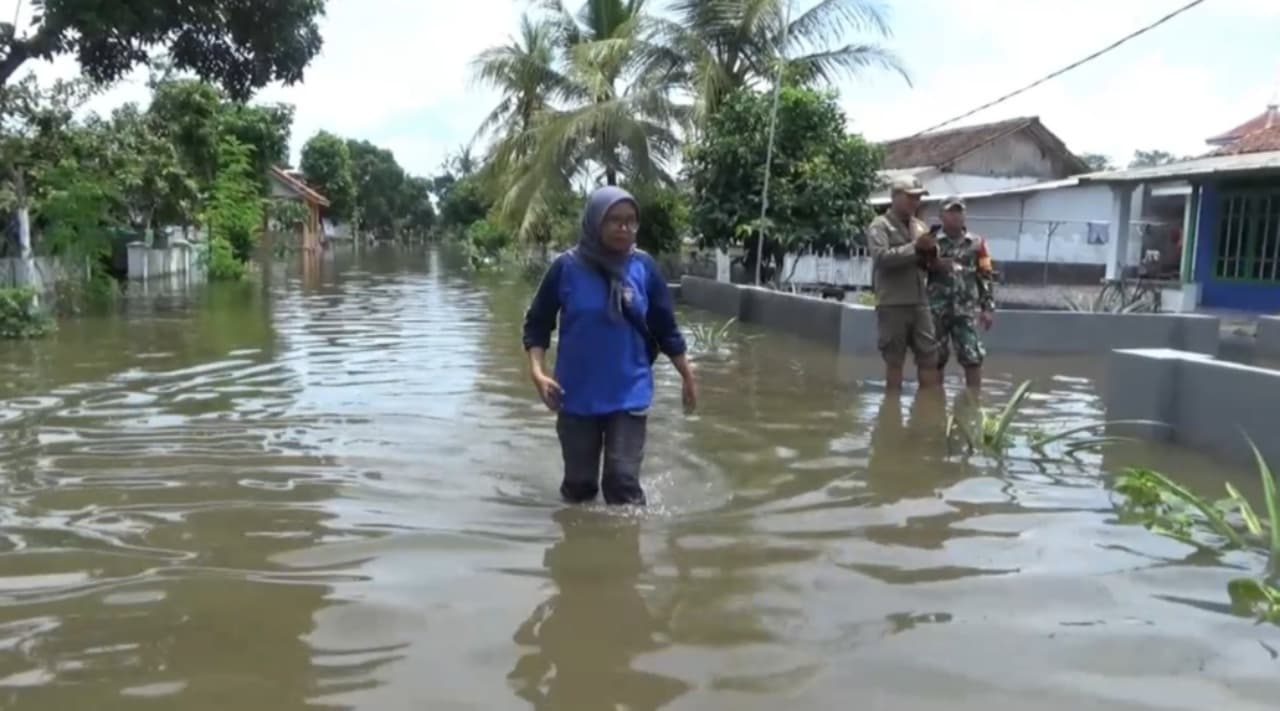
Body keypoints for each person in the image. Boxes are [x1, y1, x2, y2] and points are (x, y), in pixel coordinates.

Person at [522, 185, 697, 506]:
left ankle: (626, 549)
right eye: (614, 220)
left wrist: (687, 376)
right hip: (575, 393)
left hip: (629, 390)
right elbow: (537, 324)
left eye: (631, 221)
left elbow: (666, 327)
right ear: (594, 221)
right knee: (578, 487)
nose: (624, 228)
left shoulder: (644, 268)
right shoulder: (566, 268)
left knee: (623, 485)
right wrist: (537, 373)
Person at [865, 176, 941, 390]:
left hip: (920, 301)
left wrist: (931, 252)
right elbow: (882, 259)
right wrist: (916, 247)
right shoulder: (880, 226)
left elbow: (929, 263)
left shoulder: (919, 226)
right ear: (895, 196)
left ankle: (926, 410)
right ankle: (892, 411)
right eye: (911, 197)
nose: (915, 202)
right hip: (893, 303)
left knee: (929, 356)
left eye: (918, 198)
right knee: (894, 360)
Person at [926, 196, 996, 390]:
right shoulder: (931, 242)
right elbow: (920, 270)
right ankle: (934, 402)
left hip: (964, 311)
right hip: (936, 309)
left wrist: (987, 307)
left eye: (960, 211)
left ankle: (974, 402)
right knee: (934, 359)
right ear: (941, 215)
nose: (957, 216)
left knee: (972, 357)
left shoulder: (977, 243)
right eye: (951, 211)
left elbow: (986, 275)